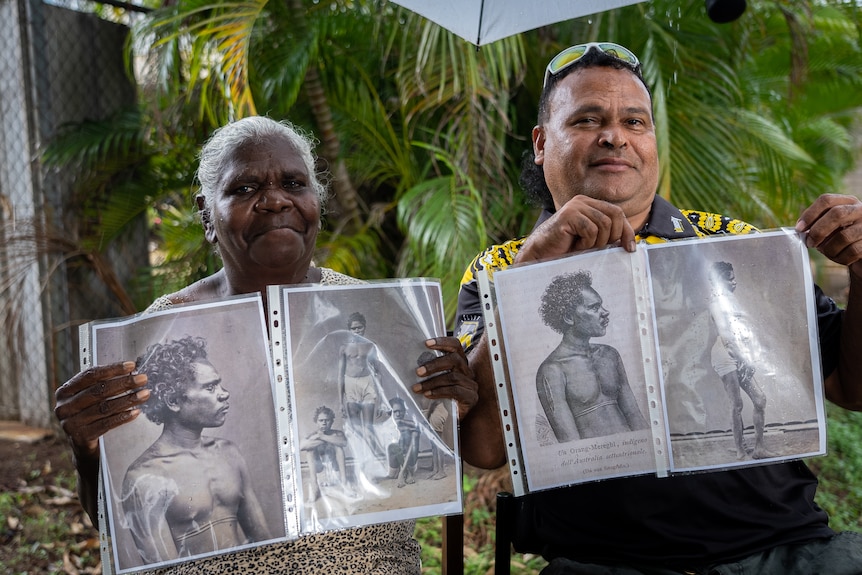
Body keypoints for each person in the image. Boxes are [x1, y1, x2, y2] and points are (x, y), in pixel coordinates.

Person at [442, 42, 862, 574]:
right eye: (588, 119)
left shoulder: (736, 244)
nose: (614, 135)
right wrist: (530, 273)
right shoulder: (500, 267)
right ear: (542, 143)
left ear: (651, 141)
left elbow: (852, 389)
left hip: (782, 549)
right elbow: (482, 448)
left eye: (634, 121)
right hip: (603, 562)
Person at [53, 115, 478, 574]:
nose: (275, 200)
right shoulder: (163, 332)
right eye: (244, 189)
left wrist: (451, 404)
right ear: (206, 214)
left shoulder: (374, 316)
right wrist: (88, 452)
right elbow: (117, 524)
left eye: (294, 183)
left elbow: (422, 470)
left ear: (317, 201)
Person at [121, 335, 271, 563]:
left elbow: (266, 547)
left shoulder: (229, 453)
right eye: (210, 388)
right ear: (173, 401)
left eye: (219, 384)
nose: (224, 393)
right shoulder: (145, 477)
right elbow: (164, 571)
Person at [536, 270, 648, 442]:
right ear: (568, 317)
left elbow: (636, 418)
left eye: (601, 305)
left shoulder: (610, 355)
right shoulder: (553, 370)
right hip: (595, 461)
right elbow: (570, 443)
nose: (605, 312)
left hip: (635, 453)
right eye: (594, 307)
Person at [708, 261, 775, 460]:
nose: (735, 282)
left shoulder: (731, 300)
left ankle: (759, 448)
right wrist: (745, 360)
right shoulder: (716, 302)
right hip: (725, 355)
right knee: (736, 404)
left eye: (734, 277)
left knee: (759, 399)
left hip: (739, 354)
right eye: (730, 279)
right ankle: (739, 451)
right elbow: (727, 339)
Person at [338, 312, 387, 457]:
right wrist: (341, 402)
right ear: (349, 330)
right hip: (350, 384)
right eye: (354, 329)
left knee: (368, 426)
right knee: (355, 428)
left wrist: (381, 400)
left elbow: (378, 373)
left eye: (359, 328)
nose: (357, 331)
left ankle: (372, 460)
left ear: (364, 327)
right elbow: (339, 375)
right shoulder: (344, 347)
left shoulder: (371, 346)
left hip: (368, 383)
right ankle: (361, 462)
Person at [299, 405, 350, 502]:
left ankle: (345, 484)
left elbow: (344, 442)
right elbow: (301, 447)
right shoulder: (313, 435)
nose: (324, 423)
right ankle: (315, 488)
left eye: (327, 420)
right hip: (321, 475)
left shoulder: (337, 433)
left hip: (336, 474)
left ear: (332, 421)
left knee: (338, 447)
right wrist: (326, 438)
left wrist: (321, 437)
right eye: (321, 420)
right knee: (310, 450)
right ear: (316, 422)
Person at [383, 397, 420, 488]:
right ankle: (404, 472)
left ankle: (403, 472)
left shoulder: (410, 423)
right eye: (395, 412)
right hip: (394, 467)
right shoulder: (387, 425)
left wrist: (402, 422)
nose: (398, 414)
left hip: (410, 463)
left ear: (404, 411)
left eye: (400, 411)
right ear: (390, 413)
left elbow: (415, 436)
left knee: (414, 435)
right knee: (393, 445)